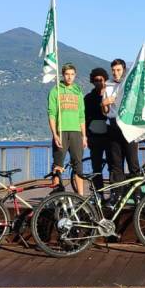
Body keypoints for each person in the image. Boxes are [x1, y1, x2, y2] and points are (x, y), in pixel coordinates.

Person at [47, 62, 87, 196]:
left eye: (72, 74)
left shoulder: (78, 91)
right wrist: (55, 134)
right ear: (63, 75)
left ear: (75, 75)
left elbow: (82, 115)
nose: (69, 77)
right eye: (67, 74)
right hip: (61, 131)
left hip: (76, 132)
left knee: (78, 164)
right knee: (58, 164)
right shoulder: (55, 90)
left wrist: (84, 135)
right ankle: (57, 194)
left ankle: (80, 195)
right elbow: (51, 113)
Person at [104, 58, 141, 184]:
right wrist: (103, 103)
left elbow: (138, 106)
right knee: (116, 165)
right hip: (113, 127)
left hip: (129, 126)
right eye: (113, 70)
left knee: (133, 164)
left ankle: (137, 196)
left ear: (124, 70)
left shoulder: (131, 85)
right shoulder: (107, 85)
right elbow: (105, 112)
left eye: (118, 70)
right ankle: (117, 196)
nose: (115, 73)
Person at [83, 67, 109, 182]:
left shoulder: (111, 96)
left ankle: (115, 195)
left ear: (105, 80)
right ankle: (99, 195)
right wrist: (86, 135)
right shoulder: (88, 98)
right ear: (92, 81)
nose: (99, 82)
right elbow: (84, 118)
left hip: (110, 136)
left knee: (113, 166)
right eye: (96, 80)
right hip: (94, 137)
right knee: (96, 168)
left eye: (101, 79)